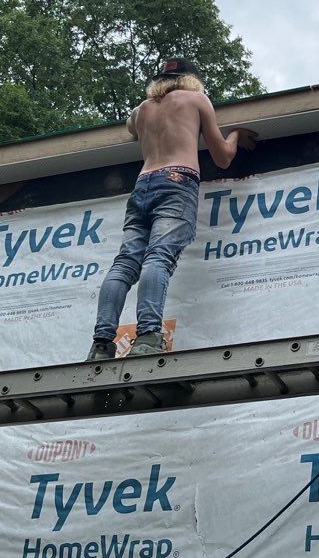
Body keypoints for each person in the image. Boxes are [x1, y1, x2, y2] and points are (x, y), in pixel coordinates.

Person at [88, 58, 258, 359]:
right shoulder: (197, 99)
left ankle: (101, 344)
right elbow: (222, 157)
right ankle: (148, 337)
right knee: (159, 257)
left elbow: (131, 128)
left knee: (125, 264)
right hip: (177, 180)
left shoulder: (141, 110)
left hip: (142, 184)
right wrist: (236, 136)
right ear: (193, 79)